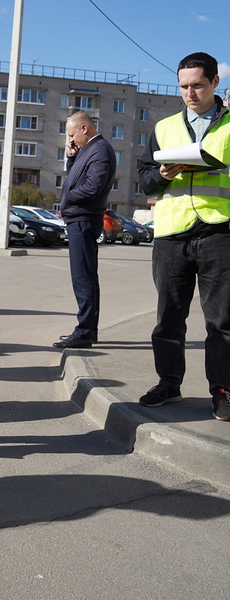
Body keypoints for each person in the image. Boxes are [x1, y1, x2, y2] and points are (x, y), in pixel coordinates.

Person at [137, 52, 230, 420]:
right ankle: (168, 382)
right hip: (172, 234)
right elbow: (145, 180)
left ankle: (223, 390)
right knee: (169, 317)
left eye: (197, 85)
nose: (190, 93)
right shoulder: (163, 127)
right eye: (184, 86)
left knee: (221, 321)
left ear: (215, 82)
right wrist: (163, 174)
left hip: (219, 231)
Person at [53, 111, 116, 349]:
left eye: (72, 135)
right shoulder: (88, 150)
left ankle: (84, 332)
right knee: (85, 276)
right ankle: (89, 330)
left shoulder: (100, 149)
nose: (71, 141)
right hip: (80, 218)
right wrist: (71, 157)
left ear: (84, 128)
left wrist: (67, 198)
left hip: (84, 220)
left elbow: (93, 187)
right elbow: (77, 178)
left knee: (83, 278)